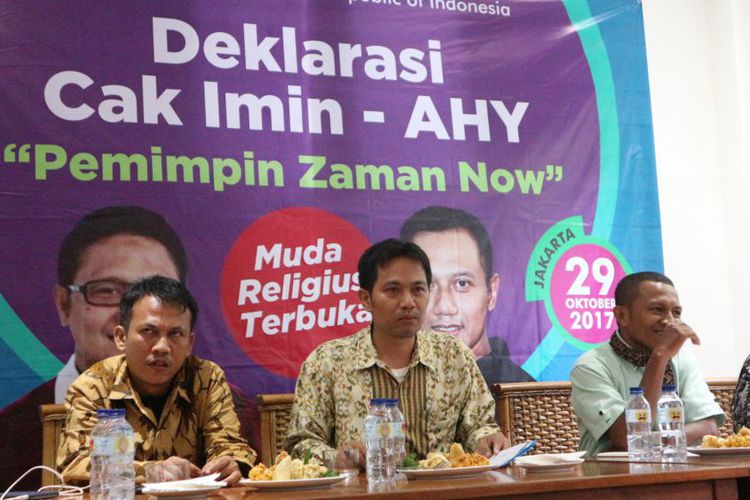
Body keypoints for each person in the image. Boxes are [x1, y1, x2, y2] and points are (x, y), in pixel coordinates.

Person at [0, 206, 187, 488]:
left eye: (156, 294)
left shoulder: (223, 407)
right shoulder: (10, 432)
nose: (131, 315)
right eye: (107, 290)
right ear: (64, 304)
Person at [285, 239, 509, 463]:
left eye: (418, 289)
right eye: (393, 290)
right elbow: (300, 444)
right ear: (365, 299)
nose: (408, 302)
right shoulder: (327, 362)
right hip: (363, 483)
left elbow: (478, 427)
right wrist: (339, 458)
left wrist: (486, 440)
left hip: (440, 482)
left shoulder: (453, 355)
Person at [57, 276, 255, 485]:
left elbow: (229, 445)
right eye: (149, 331)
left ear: (189, 343)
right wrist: (152, 471)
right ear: (121, 337)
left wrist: (231, 463)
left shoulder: (206, 378)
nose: (162, 347)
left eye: (175, 334)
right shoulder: (94, 385)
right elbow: (75, 463)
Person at [570, 271, 724, 454]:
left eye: (676, 313)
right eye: (657, 309)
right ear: (622, 315)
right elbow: (624, 438)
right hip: (612, 470)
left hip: (676, 467)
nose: (670, 322)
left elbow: (709, 428)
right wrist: (659, 357)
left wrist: (647, 441)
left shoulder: (682, 359)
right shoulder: (590, 366)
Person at [400, 206, 533, 384]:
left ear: (492, 292)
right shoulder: (384, 386)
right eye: (427, 286)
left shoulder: (522, 393)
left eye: (462, 284)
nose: (444, 306)